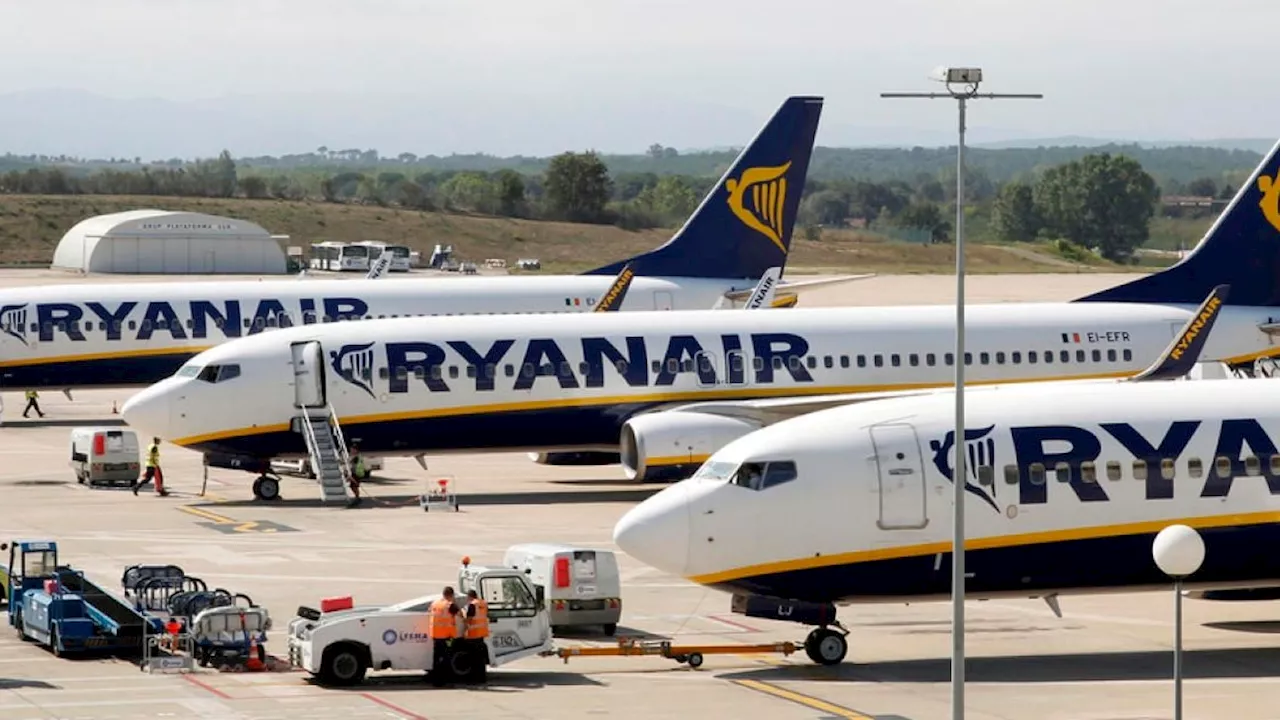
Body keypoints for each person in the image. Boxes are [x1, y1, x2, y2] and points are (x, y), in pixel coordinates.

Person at [427, 586, 461, 686]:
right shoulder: (450, 605)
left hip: (435, 635)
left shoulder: (435, 603)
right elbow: (460, 614)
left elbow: (430, 611)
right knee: (446, 659)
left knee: (436, 659)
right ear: (451, 595)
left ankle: (436, 680)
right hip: (446, 637)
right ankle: (445, 680)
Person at [463, 589, 490, 683]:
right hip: (482, 633)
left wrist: (463, 621)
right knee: (480, 659)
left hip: (473, 634)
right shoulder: (483, 603)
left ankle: (474, 679)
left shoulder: (472, 605)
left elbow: (469, 618)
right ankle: (482, 678)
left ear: (469, 596)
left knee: (474, 659)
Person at [347, 442, 367, 508]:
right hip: (357, 473)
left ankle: (357, 498)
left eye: (352, 450)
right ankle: (357, 497)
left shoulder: (356, 457)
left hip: (356, 474)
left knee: (354, 486)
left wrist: (350, 476)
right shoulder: (358, 456)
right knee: (353, 486)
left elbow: (352, 465)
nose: (351, 451)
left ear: (355, 450)